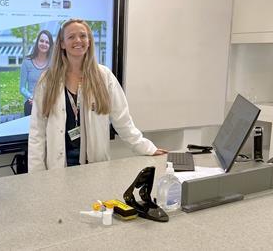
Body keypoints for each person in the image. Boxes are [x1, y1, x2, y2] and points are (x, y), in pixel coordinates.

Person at [28, 19, 166, 172]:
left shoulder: (104, 76)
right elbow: (37, 132)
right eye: (71, 37)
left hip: (94, 165)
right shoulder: (48, 80)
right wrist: (36, 174)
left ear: (89, 42)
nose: (78, 40)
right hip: (59, 165)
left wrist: (147, 148)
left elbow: (123, 121)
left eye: (83, 36)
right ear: (62, 43)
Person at [20, 30, 54, 116]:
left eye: (47, 42)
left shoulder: (53, 63)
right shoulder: (26, 62)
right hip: (31, 101)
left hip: (48, 101)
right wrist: (32, 97)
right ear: (37, 42)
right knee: (30, 106)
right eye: (41, 41)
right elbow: (22, 88)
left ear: (50, 46)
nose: (44, 44)